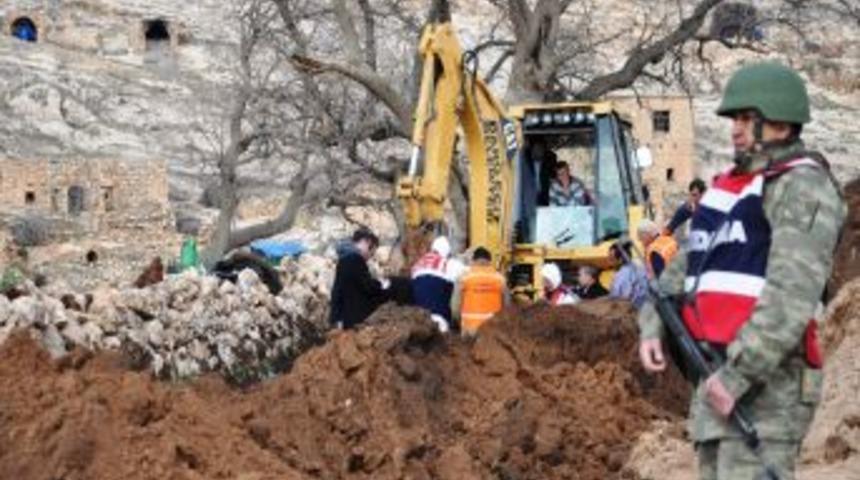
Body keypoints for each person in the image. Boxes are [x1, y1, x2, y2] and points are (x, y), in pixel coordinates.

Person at [637, 62, 846, 480]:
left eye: (747, 118)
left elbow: (791, 295)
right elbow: (679, 273)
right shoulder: (725, 193)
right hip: (715, 380)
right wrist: (650, 327)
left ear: (781, 124)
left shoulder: (802, 187)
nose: (735, 128)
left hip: (767, 388)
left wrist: (737, 375)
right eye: (735, 118)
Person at [329, 227, 389, 330]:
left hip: (345, 317)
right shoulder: (354, 259)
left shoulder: (345, 258)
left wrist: (336, 317)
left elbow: (337, 290)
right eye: (372, 252)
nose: (370, 257)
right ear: (368, 242)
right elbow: (367, 286)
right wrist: (381, 284)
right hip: (353, 319)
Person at [411, 236, 464, 333]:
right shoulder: (448, 264)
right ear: (447, 253)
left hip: (419, 320)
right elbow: (469, 275)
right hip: (440, 320)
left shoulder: (417, 265)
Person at [455, 247, 506, 336]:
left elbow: (456, 306)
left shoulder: (464, 278)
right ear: (490, 261)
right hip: (493, 332)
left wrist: (458, 322)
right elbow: (507, 306)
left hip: (470, 330)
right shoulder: (500, 279)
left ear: (474, 260)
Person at [609, 242, 648, 309]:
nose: (609, 260)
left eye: (611, 258)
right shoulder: (641, 268)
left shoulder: (623, 274)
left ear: (620, 260)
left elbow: (623, 298)